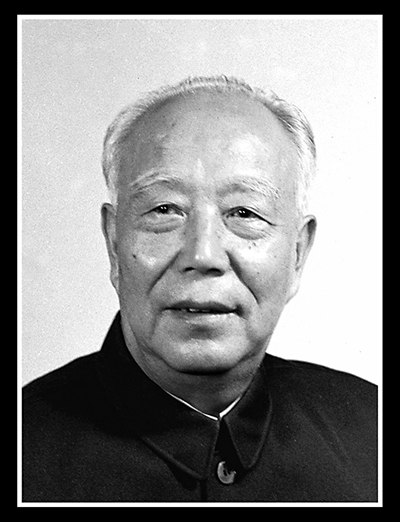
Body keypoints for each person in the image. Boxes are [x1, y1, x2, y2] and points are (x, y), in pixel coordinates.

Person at [22, 75, 377, 503]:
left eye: (244, 213)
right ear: (114, 243)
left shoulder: (369, 431)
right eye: (164, 209)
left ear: (298, 253)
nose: (203, 254)